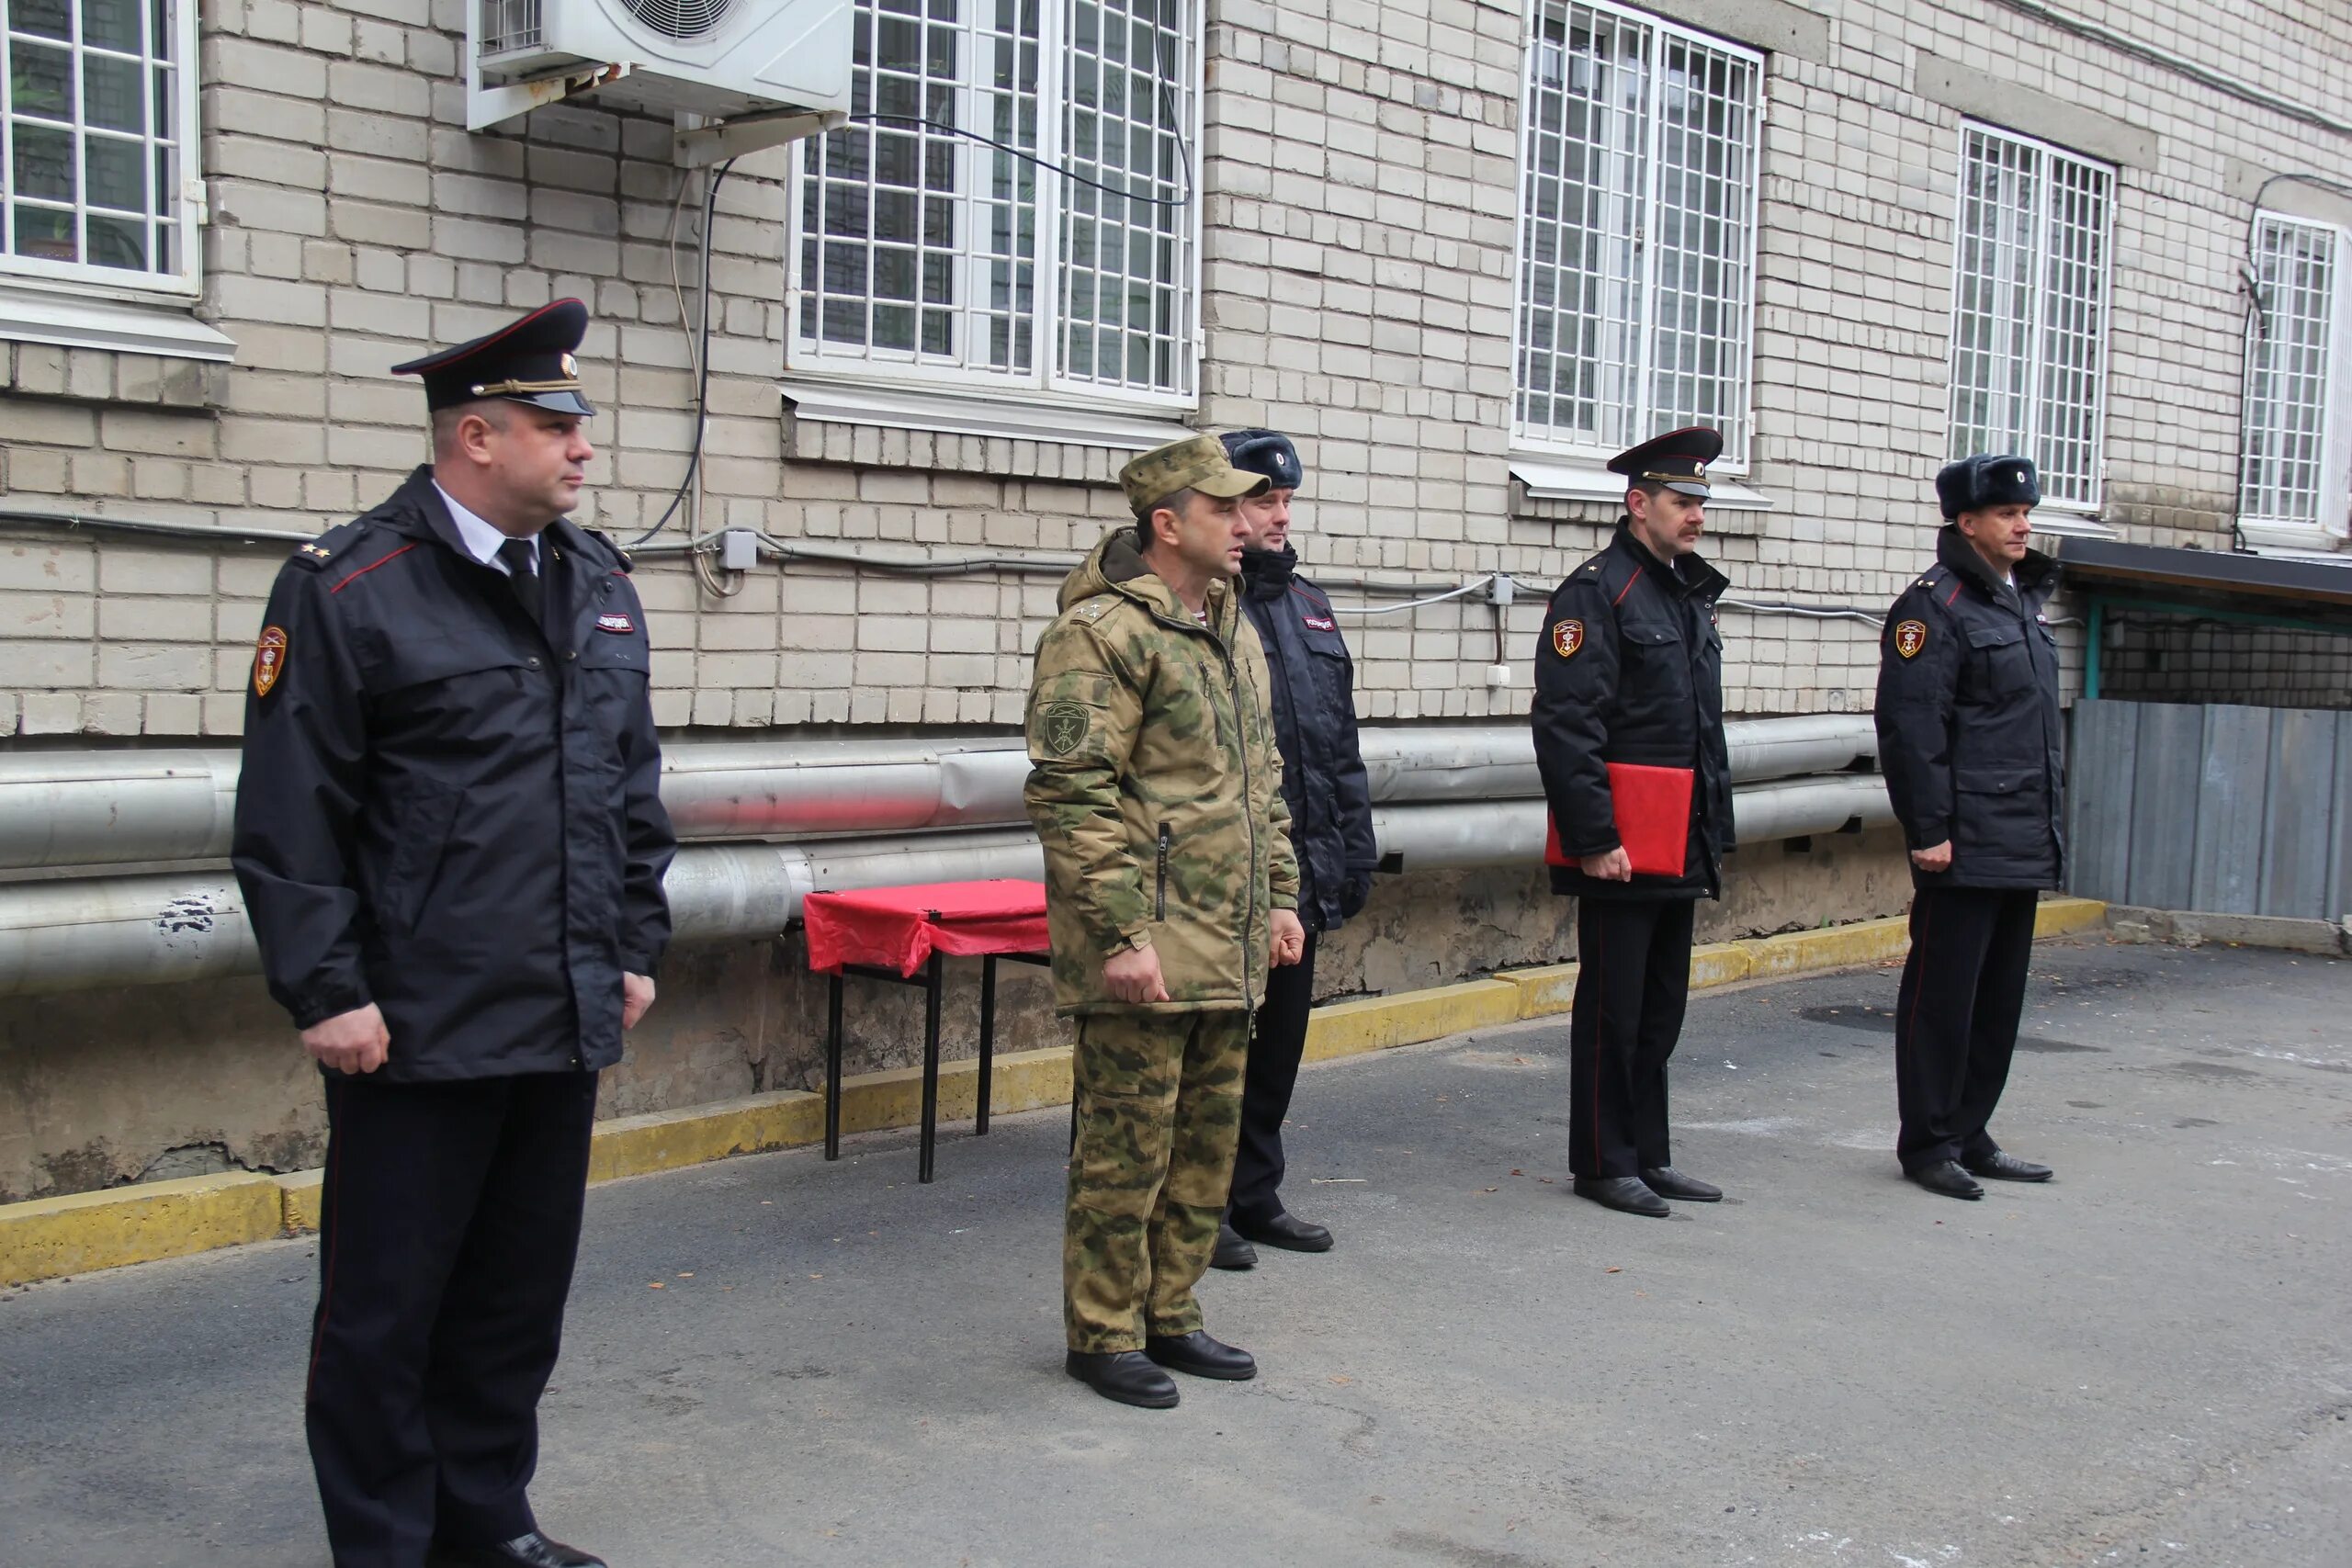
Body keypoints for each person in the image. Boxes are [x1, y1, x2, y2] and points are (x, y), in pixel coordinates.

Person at [232, 299, 673, 1568]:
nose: (584, 448)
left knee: (512, 1301)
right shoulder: (350, 585)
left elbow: (630, 786)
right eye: (558, 424)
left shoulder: (594, 581)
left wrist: (633, 944)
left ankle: (486, 1520)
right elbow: (291, 811)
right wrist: (326, 989)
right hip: (413, 1024)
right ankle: (382, 1540)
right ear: (476, 434)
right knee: (385, 1312)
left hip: (561, 1008)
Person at [1023, 433, 1307, 1409]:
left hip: (1226, 941)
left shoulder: (1230, 623)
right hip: (1147, 942)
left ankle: (1171, 1314)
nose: (1245, 525)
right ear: (1167, 523)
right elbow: (1072, 795)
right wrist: (1120, 936)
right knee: (1124, 1150)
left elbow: (1259, 781)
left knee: (1203, 1147)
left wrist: (1279, 895)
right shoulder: (1099, 635)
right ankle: (1101, 1332)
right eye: (1225, 509)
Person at [1531, 427, 1735, 1220]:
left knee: (1660, 1008)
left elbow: (1697, 730)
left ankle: (1649, 1153)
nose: (1696, 517)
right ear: (1637, 503)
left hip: (1677, 836)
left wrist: (1709, 832)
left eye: (1700, 504)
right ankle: (1603, 1161)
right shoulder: (1597, 592)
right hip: (1622, 844)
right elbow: (1568, 723)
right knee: (1613, 1011)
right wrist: (1594, 837)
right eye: (1682, 503)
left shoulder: (1682, 592)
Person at [1208, 429, 1377, 1272]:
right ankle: (1200, 1208)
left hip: (1301, 865)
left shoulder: (1308, 603)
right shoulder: (1206, 604)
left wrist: (1352, 851)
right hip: (1230, 875)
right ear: (1226, 509)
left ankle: (1254, 1192)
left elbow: (1336, 743)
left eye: (1285, 501)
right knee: (1221, 1048)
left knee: (1281, 1041)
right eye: (1263, 500)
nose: (1280, 515)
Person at [1874, 454, 2063, 1201]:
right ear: (1966, 523)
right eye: (2008, 514)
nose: (2024, 524)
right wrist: (1928, 829)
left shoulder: (2020, 599)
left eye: (2027, 513)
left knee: (1997, 998)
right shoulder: (1934, 606)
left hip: (2020, 833)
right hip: (1964, 837)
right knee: (1943, 996)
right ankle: (1927, 1140)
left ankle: (1969, 1128)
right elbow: (1911, 726)